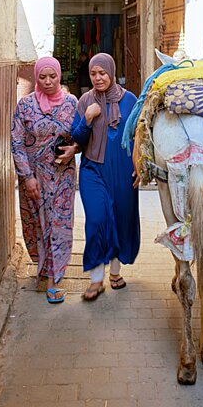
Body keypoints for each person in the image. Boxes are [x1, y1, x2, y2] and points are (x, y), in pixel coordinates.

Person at [71, 53, 140, 300]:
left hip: (123, 171)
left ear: (111, 72)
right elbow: (77, 138)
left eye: (102, 73)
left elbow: (140, 135)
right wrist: (88, 119)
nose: (98, 78)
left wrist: (140, 165)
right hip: (93, 170)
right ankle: (96, 280)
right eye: (93, 73)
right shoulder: (85, 101)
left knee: (121, 218)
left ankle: (115, 271)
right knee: (97, 220)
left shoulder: (130, 100)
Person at [11, 56, 78, 304]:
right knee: (36, 223)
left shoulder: (72, 103)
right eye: (42, 77)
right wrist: (27, 177)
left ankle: (54, 278)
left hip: (63, 174)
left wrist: (75, 148)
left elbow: (81, 135)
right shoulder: (25, 106)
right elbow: (16, 142)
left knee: (58, 223)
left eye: (53, 76)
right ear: (36, 78)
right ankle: (43, 265)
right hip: (34, 175)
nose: (48, 82)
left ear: (59, 76)